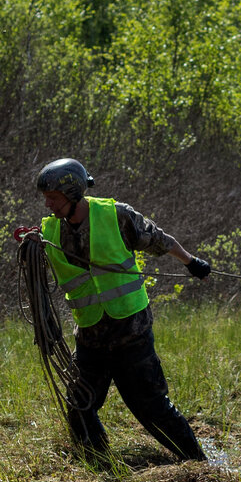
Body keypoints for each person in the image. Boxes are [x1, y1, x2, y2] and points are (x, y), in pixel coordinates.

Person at [33, 157, 211, 463]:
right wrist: (30, 249)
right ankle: (99, 464)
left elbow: (159, 240)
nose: (47, 204)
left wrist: (191, 262)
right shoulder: (48, 233)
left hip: (132, 332)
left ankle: (198, 463)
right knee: (80, 404)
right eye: (46, 198)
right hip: (91, 336)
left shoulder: (115, 215)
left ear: (73, 193)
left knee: (151, 406)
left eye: (53, 198)